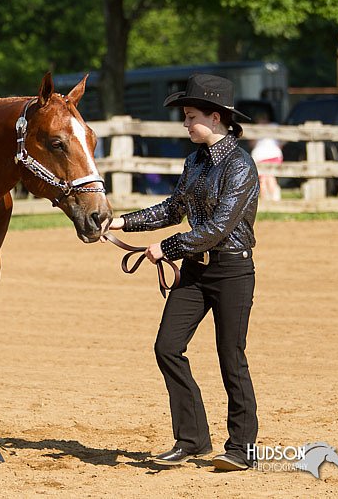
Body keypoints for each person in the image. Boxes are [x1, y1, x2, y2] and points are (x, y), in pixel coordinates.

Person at [106, 74, 260, 471]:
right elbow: (173, 210)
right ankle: (192, 438)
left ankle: (242, 448)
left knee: (231, 357)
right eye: (186, 117)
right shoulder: (194, 161)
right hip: (195, 271)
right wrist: (121, 223)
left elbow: (217, 228)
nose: (186, 124)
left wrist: (166, 248)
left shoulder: (241, 166)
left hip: (231, 270)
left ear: (216, 117)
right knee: (167, 347)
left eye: (191, 117)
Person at [250, 111, 283, 201]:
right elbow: (281, 141)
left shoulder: (255, 129)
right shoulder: (274, 126)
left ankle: (266, 199)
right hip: (274, 155)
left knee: (264, 179)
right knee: (270, 177)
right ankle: (274, 197)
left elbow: (252, 144)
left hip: (260, 156)